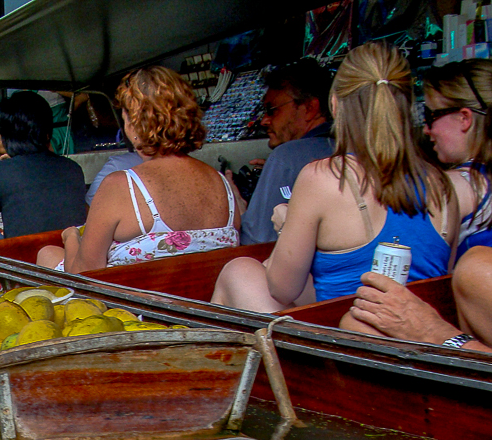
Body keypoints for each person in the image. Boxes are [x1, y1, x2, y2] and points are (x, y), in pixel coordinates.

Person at [211, 42, 457, 312]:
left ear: (335, 104)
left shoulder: (322, 178)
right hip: (420, 340)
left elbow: (281, 289)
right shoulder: (446, 185)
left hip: (346, 342)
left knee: (238, 271)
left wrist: (287, 226)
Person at [346, 58, 492, 357]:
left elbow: (412, 265)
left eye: (430, 115)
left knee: (360, 322)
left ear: (464, 118)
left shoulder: (454, 187)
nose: (427, 130)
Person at [36, 66, 239, 274]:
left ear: (133, 124)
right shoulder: (222, 185)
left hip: (134, 302)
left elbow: (85, 274)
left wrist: (70, 237)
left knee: (47, 253)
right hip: (202, 299)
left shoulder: (121, 186)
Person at [0, 91, 87, 245]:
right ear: (48, 132)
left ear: (4, 136)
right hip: (69, 255)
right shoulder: (73, 168)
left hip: (24, 260)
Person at [238, 58, 335, 245]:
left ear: (309, 108)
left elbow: (256, 241)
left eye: (271, 110)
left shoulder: (286, 158)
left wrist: (241, 212)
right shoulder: (354, 149)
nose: (265, 121)